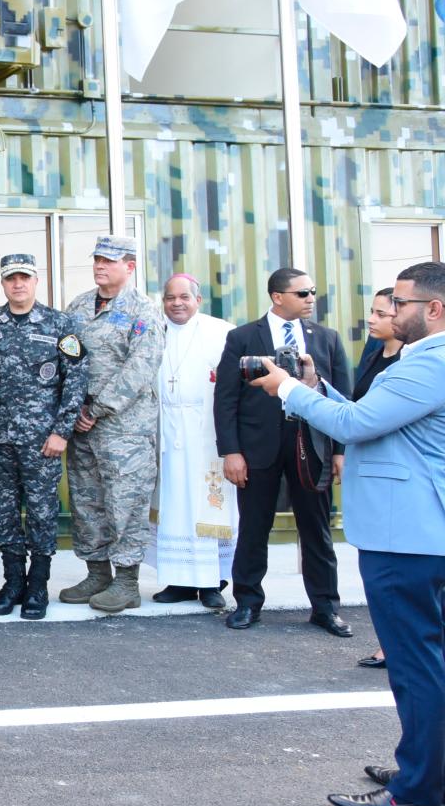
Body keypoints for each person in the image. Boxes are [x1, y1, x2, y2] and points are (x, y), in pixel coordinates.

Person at [249, 262, 445, 806]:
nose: (388, 312)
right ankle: (425, 770)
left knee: (414, 666)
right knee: (425, 660)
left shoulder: (428, 363)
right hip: (415, 530)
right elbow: (369, 415)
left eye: (399, 304)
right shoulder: (420, 362)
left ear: (433, 309)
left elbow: (357, 427)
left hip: (407, 534)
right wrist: (316, 388)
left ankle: (415, 791)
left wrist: (286, 387)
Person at [215, 266, 353, 635]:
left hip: (313, 446)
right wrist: (231, 451)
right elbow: (225, 399)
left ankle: (325, 607)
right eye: (303, 293)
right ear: (278, 297)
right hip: (257, 447)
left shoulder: (327, 338)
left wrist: (339, 451)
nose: (311, 299)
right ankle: (247, 603)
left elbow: (343, 398)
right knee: (254, 528)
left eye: (313, 292)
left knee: (317, 530)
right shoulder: (242, 337)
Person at [0, 253, 87, 619]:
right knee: (2, 514)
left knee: (40, 512)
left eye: (24, 278)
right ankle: (12, 583)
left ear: (36, 281)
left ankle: (38, 585)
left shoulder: (60, 324)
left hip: (42, 442)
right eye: (11, 279)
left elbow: (76, 382)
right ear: (3, 283)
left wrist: (61, 432)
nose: (17, 284)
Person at [59, 235, 164, 614]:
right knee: (87, 501)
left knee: (125, 503)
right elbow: (65, 356)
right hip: (82, 426)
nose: (101, 266)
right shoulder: (79, 306)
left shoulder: (143, 311)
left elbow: (140, 369)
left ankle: (126, 581)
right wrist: (73, 409)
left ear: (129, 267)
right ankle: (97, 572)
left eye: (110, 260)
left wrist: (98, 408)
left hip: (124, 429)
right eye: (98, 259)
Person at [150, 274, 235, 609]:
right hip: (166, 429)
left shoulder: (221, 332)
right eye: (170, 297)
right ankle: (179, 581)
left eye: (184, 297)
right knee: (174, 503)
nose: (177, 303)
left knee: (208, 504)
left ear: (198, 300)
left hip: (207, 432)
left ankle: (212, 582)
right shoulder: (153, 331)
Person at [354, 287, 404, 670]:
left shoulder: (411, 363)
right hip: (374, 478)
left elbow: (363, 419)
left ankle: (398, 646)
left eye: (381, 313)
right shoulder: (372, 354)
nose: (371, 319)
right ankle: (391, 642)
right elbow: (357, 405)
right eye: (371, 311)